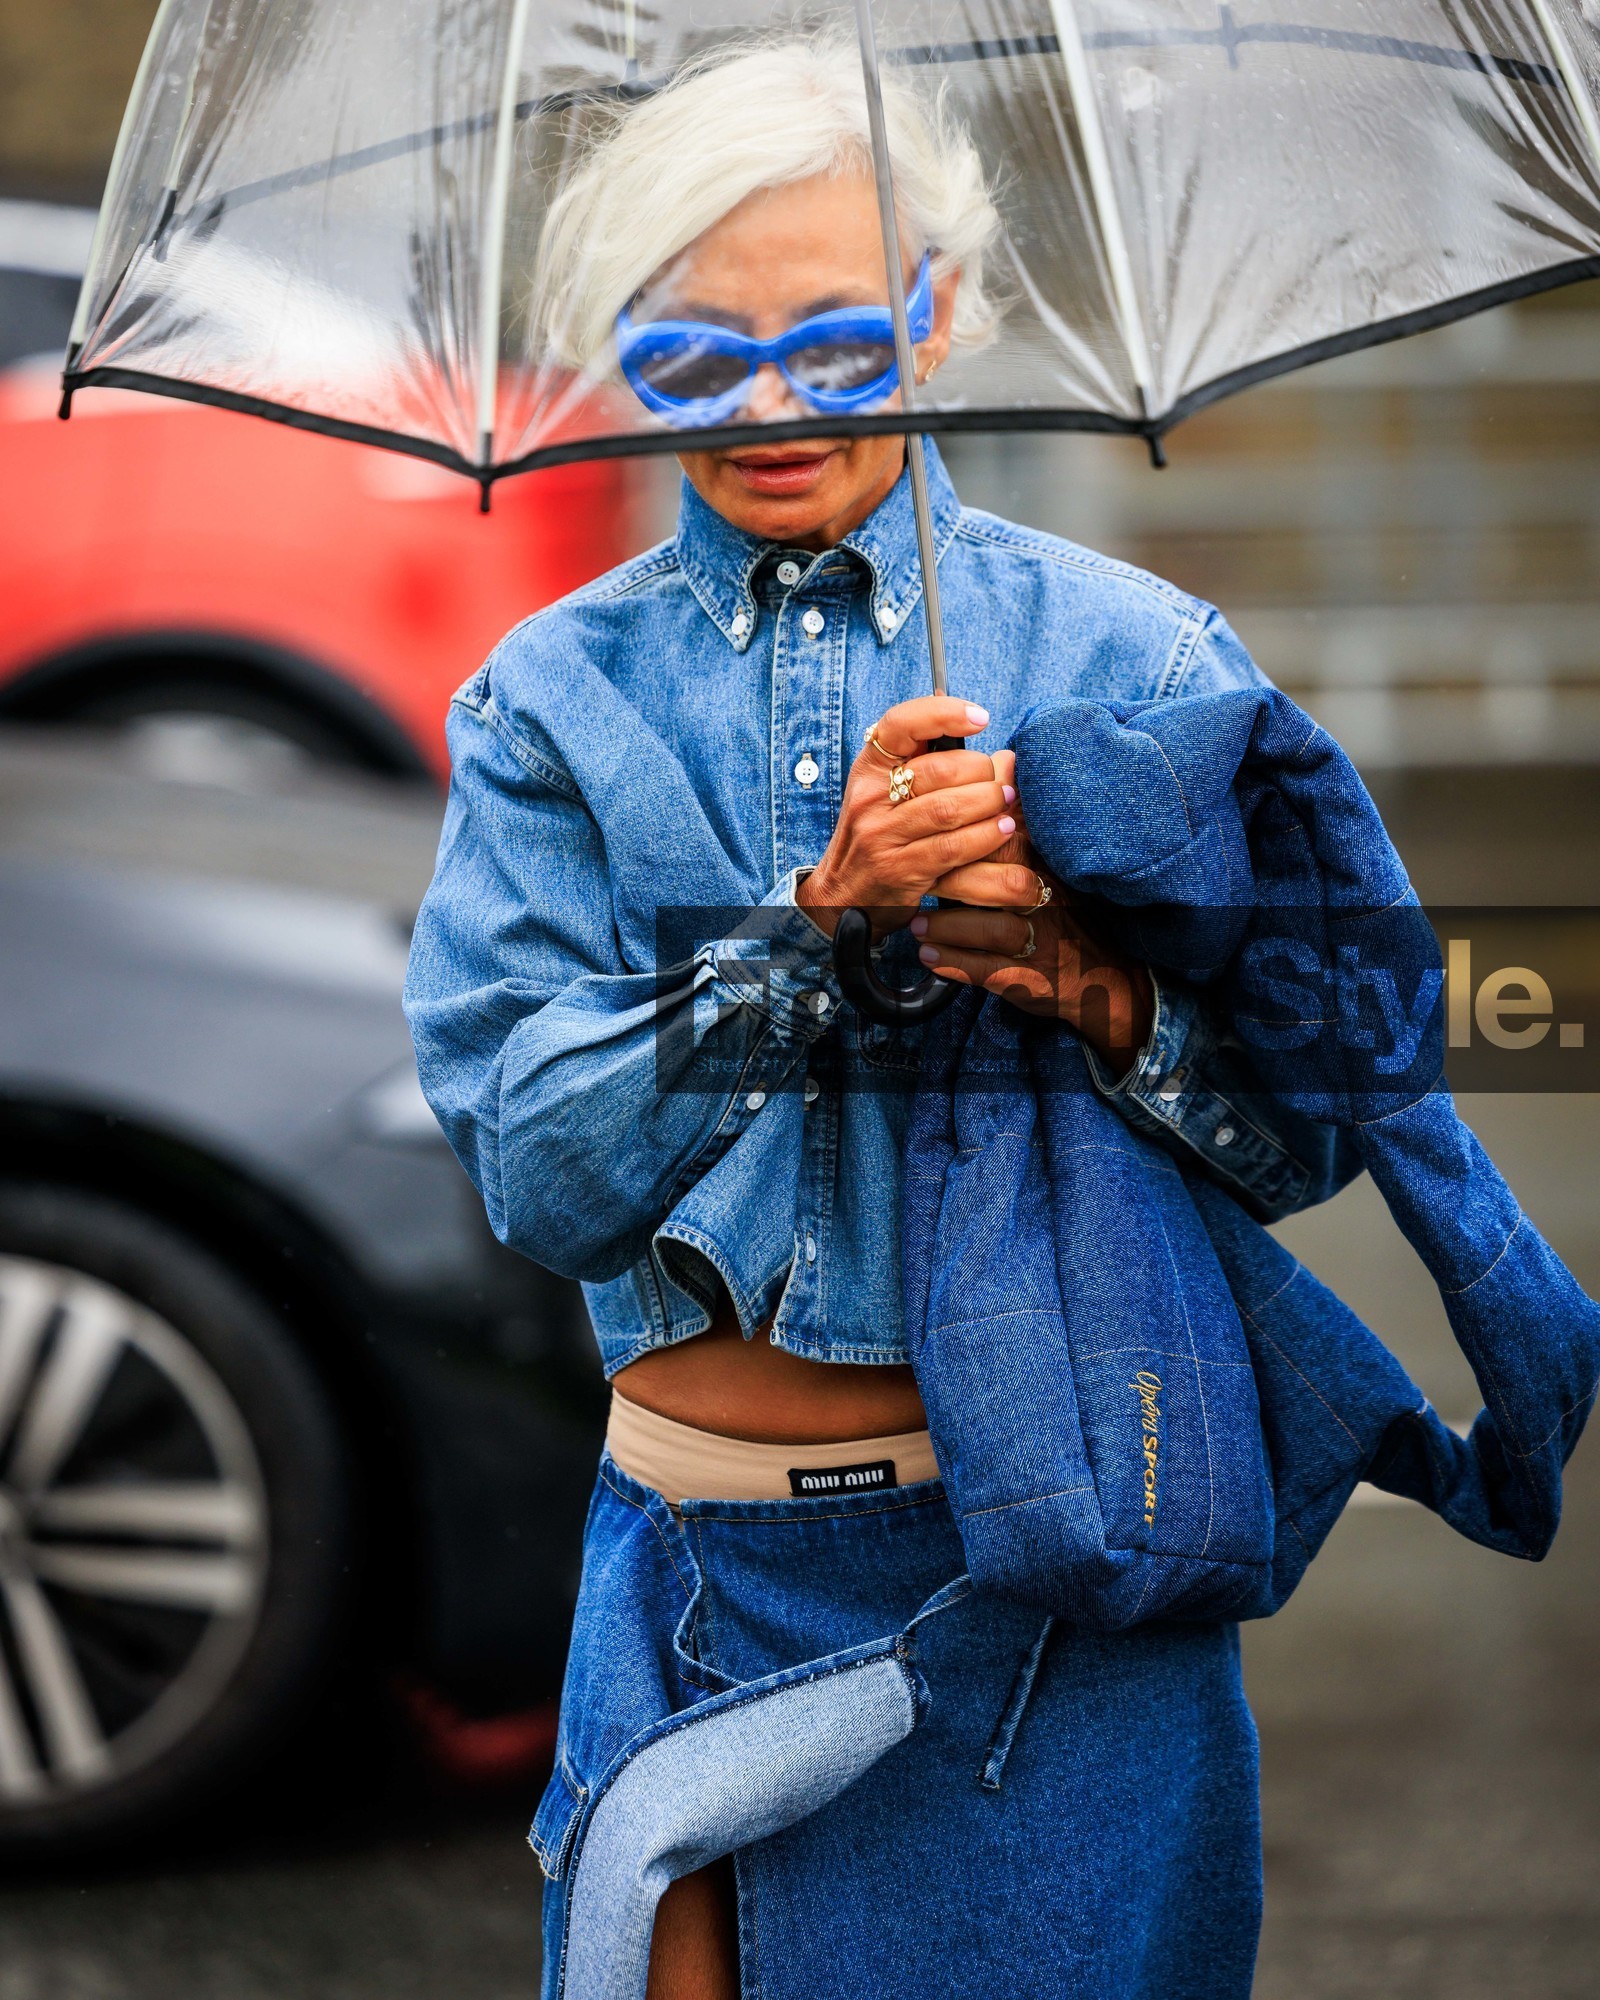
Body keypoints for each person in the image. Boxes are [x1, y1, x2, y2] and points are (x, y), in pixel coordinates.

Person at [405, 38, 1352, 2000]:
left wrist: (1094, 988)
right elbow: (539, 1172)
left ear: (938, 313)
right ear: (620, 350)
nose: (769, 408)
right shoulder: (549, 703)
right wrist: (811, 935)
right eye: (695, 355)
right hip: (695, 1582)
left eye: (835, 344)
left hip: (1063, 1591)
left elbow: (1311, 1127)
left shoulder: (1137, 657)